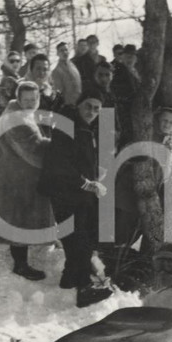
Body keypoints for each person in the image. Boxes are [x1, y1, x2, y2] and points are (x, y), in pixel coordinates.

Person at [39, 87, 114, 306]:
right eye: (88, 106)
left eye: (96, 108)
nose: (92, 111)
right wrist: (86, 183)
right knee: (78, 239)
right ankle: (84, 290)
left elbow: (80, 159)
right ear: (78, 106)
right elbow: (60, 164)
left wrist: (94, 174)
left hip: (76, 193)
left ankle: (69, 279)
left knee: (82, 236)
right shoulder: (68, 127)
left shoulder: (84, 127)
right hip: (64, 192)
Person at [0, 81, 54, 281]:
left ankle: (22, 260)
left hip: (15, 174)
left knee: (20, 219)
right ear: (19, 99)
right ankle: (20, 265)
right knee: (19, 220)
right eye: (27, 100)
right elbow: (33, 150)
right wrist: (58, 146)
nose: (31, 103)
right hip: (14, 180)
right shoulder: (17, 121)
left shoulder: (20, 114)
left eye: (34, 99)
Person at [51, 42, 82, 106]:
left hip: (79, 102)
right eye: (61, 50)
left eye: (66, 50)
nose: (65, 52)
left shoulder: (73, 66)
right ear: (57, 53)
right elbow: (58, 92)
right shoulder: (56, 71)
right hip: (67, 105)